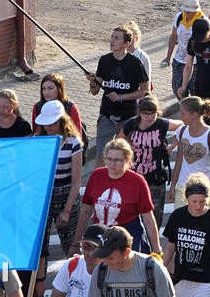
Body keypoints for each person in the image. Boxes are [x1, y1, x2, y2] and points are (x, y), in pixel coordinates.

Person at [75, 139, 161, 255]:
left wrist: (157, 251)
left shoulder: (137, 182)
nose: (112, 164)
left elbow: (148, 219)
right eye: (109, 159)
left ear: (127, 160)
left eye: (117, 160)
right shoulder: (96, 176)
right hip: (100, 239)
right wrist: (75, 243)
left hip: (127, 241)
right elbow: (85, 211)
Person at [34, 100, 83, 277]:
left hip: (66, 195)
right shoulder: (38, 141)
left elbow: (76, 180)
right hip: (44, 197)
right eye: (45, 123)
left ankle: (79, 280)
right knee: (40, 247)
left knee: (71, 244)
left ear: (62, 120)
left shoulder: (73, 142)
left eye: (53, 123)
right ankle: (39, 282)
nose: (49, 127)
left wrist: (67, 210)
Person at [163, 173, 210, 297]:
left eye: (202, 201)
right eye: (194, 201)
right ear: (186, 198)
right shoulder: (177, 216)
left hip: (207, 282)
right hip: (180, 279)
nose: (198, 206)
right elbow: (170, 247)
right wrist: (161, 269)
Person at [120, 96, 183, 227]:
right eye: (145, 114)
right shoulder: (131, 124)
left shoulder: (161, 124)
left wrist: (171, 147)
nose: (149, 117)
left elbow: (182, 126)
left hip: (155, 178)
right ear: (139, 113)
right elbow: (117, 143)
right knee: (133, 217)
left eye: (153, 113)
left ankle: (152, 246)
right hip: (134, 178)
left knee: (154, 218)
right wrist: (126, 151)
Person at [91, 26, 149, 164]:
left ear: (126, 43)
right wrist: (93, 81)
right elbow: (94, 91)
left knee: (127, 156)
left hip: (128, 118)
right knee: (101, 156)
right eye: (112, 37)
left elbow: (144, 91)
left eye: (116, 38)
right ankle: (98, 184)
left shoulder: (135, 63)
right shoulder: (104, 60)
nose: (112, 41)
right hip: (106, 116)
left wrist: (121, 97)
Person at [168, 96, 210, 216]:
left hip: (208, 189)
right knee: (181, 224)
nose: (180, 117)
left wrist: (206, 194)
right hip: (183, 188)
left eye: (183, 113)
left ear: (194, 115)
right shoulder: (182, 132)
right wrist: (173, 186)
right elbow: (179, 161)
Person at [86, 226, 173, 297]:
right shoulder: (100, 271)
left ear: (126, 252)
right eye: (103, 256)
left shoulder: (153, 270)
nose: (105, 262)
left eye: (111, 258)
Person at [164, 0, 204, 99]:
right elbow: (173, 37)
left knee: (195, 90)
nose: (187, 13)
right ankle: (184, 108)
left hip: (195, 62)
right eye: (185, 11)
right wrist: (168, 57)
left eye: (189, 11)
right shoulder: (179, 17)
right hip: (180, 59)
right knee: (177, 88)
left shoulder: (203, 21)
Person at [50, 224, 104, 297]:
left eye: (96, 249)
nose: (90, 253)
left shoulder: (112, 272)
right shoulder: (71, 265)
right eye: (86, 247)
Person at [32, 72, 85, 142]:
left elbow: (77, 134)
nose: (46, 92)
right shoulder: (38, 107)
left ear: (59, 89)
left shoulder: (70, 106)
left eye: (50, 88)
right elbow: (36, 132)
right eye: (43, 89)